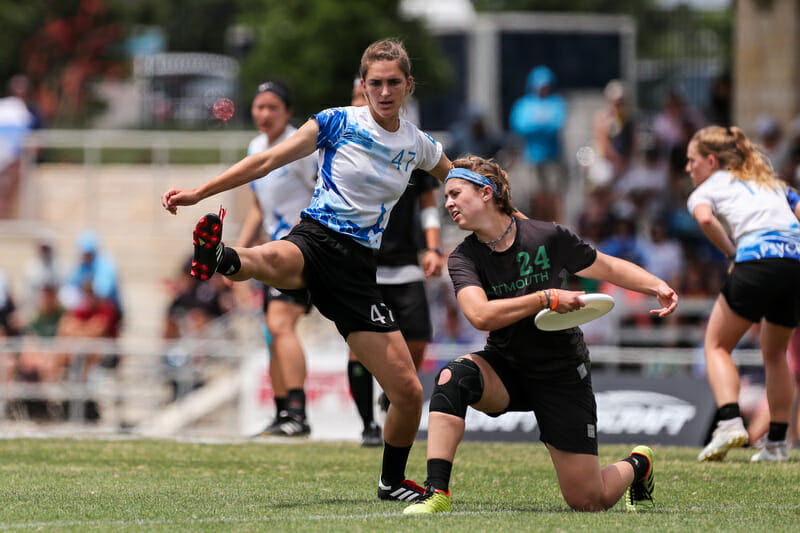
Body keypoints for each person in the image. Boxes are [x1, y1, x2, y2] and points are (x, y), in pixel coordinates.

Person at [162, 39, 452, 502]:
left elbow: (455, 180)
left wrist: (498, 211)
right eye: (374, 82)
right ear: (363, 85)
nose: (383, 91)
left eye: (393, 82)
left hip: (360, 268)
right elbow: (266, 160)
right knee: (274, 260)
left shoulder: (418, 144)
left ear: (408, 85)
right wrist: (199, 192)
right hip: (318, 236)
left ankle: (391, 481)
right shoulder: (337, 121)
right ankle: (221, 256)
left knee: (408, 393)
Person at [402, 156, 678, 515]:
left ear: (486, 193)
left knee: (587, 500)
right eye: (446, 196)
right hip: (506, 367)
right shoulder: (463, 257)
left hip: (561, 372)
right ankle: (436, 493)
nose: (448, 202)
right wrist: (545, 298)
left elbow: (606, 265)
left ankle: (639, 464)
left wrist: (656, 285)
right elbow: (480, 315)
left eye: (455, 193)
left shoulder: (547, 236)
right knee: (452, 377)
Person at [686, 125, 800, 462]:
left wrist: (732, 253)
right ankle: (777, 444)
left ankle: (729, 422)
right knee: (776, 355)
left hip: (755, 259)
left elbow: (706, 220)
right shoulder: (773, 183)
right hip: (794, 262)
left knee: (716, 344)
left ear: (710, 160)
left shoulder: (706, 188)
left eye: (692, 161)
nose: (688, 168)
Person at [346, 79, 444, 447]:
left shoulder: (409, 144)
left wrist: (433, 248)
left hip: (405, 263)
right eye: (360, 95)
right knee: (357, 348)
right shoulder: (344, 146)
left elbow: (428, 203)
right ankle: (368, 425)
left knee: (418, 339)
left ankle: (391, 393)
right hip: (360, 264)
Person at [233, 79, 318, 437]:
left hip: (301, 251)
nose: (265, 114)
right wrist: (237, 248)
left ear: (287, 111)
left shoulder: (298, 145)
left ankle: (298, 413)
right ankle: (283, 412)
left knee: (280, 323)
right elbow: (258, 204)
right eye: (259, 106)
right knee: (272, 329)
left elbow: (324, 192)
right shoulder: (256, 146)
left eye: (273, 107)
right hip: (272, 255)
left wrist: (307, 230)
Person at [509, 65, 567, 221]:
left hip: (552, 158)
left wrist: (536, 126)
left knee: (553, 196)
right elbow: (520, 126)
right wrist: (543, 125)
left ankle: (555, 230)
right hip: (531, 158)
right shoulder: (524, 104)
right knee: (535, 197)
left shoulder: (556, 103)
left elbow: (557, 124)